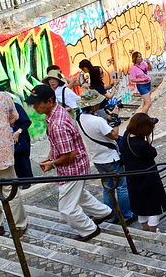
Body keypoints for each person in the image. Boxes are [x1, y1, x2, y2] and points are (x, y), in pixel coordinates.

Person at [25, 84, 113, 242]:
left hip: (73, 169)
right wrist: (50, 157)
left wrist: (52, 163)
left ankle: (89, 229)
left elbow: (70, 155)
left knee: (66, 208)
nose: (34, 106)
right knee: (79, 196)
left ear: (50, 101)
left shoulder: (58, 124)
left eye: (38, 103)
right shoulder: (54, 113)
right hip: (77, 166)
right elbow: (58, 144)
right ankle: (104, 213)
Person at [76, 90, 136, 225]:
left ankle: (109, 214)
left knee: (107, 186)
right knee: (121, 186)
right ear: (92, 105)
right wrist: (115, 118)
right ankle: (126, 215)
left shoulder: (80, 117)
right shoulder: (97, 120)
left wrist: (108, 119)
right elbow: (114, 135)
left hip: (97, 158)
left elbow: (99, 129)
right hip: (110, 158)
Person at [122, 113, 166, 234]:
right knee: (154, 206)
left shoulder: (127, 135)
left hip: (133, 179)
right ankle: (152, 233)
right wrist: (148, 138)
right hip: (148, 179)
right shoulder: (142, 145)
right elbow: (152, 152)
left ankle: (145, 230)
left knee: (140, 206)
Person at [0, 91, 28, 237]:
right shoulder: (4, 97)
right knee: (10, 190)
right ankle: (19, 226)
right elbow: (13, 118)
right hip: (1, 152)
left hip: (2, 153)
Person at [13, 102, 33, 189]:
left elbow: (27, 122)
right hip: (10, 141)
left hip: (21, 139)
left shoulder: (16, 106)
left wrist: (18, 132)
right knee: (16, 162)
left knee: (23, 161)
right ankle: (21, 180)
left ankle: (27, 181)